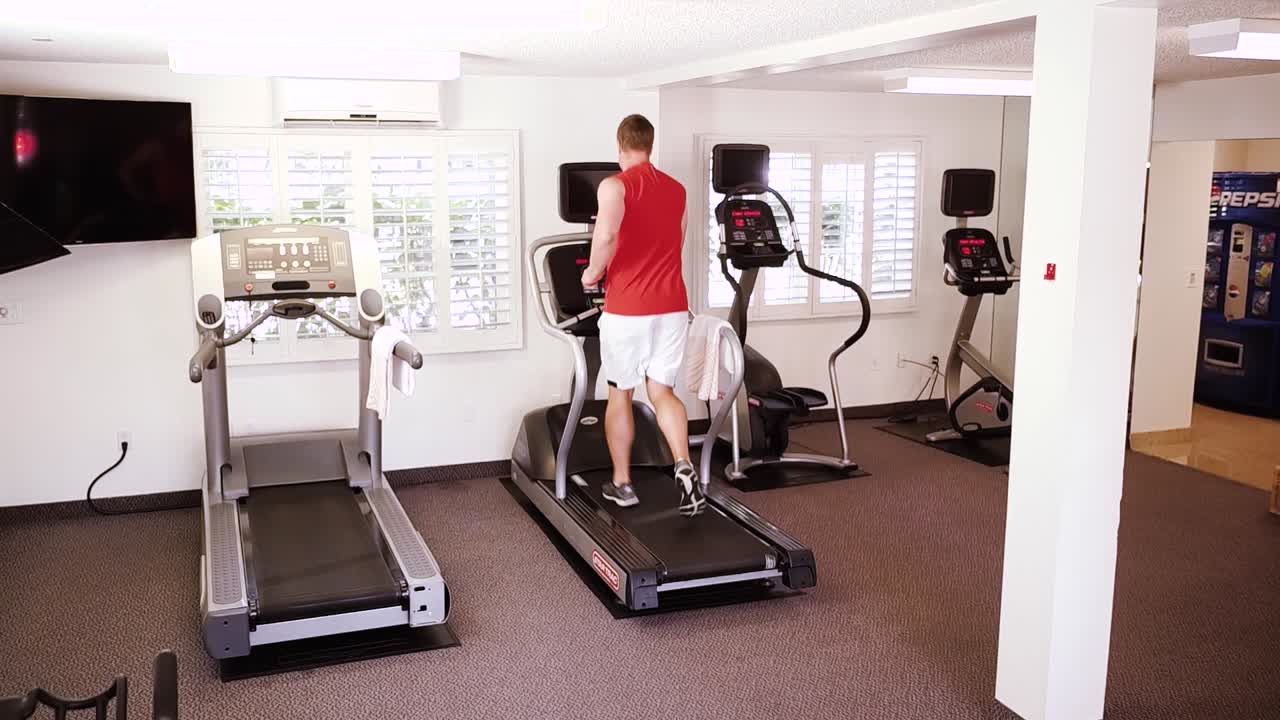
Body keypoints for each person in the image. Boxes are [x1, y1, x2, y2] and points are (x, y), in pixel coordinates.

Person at [580, 114, 702, 516]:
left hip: (628, 308)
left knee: (621, 394)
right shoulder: (677, 189)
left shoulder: (614, 186)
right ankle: (684, 463)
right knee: (663, 392)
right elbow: (678, 241)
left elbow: (608, 236)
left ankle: (622, 483)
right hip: (671, 306)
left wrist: (591, 274)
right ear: (650, 144)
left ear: (620, 145)